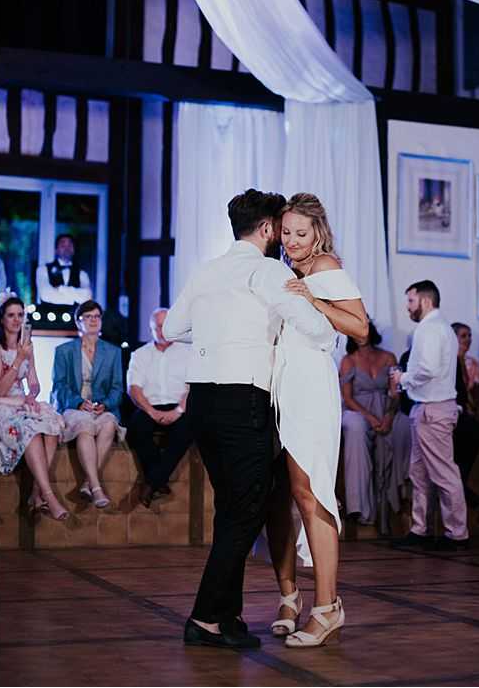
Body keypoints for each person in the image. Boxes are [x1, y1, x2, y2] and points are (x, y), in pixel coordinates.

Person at [163, 189, 335, 651]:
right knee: (247, 511)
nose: (282, 237)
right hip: (243, 403)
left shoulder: (207, 270)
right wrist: (314, 304)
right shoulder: (268, 270)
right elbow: (320, 331)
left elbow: (170, 329)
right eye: (279, 229)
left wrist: (220, 333)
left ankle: (228, 615)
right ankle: (203, 619)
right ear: (264, 229)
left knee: (231, 510)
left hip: (201, 403)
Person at [265, 193, 368, 648]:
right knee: (281, 498)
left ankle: (328, 608)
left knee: (312, 495)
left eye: (300, 234)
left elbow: (361, 327)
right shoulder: (285, 270)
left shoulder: (325, 267)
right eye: (286, 233)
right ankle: (290, 597)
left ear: (318, 232)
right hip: (281, 386)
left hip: (312, 385)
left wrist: (314, 299)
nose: (291, 241)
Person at [389, 281, 468, 551]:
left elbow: (429, 369)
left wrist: (403, 378)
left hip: (434, 409)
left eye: (410, 301)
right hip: (427, 408)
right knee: (419, 473)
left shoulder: (430, 329)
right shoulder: (437, 328)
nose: (407, 307)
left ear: (424, 301)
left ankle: (457, 534)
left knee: (444, 474)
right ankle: (419, 530)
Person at [0, 297, 67, 520]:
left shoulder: (27, 346)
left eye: (20, 315)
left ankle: (36, 492)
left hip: (22, 402)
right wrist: (18, 359)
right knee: (31, 431)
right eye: (11, 315)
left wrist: (33, 394)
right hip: (2, 404)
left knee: (52, 424)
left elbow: (34, 383)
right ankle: (49, 496)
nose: (17, 320)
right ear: (2, 319)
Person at [51, 299, 125, 509]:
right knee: (85, 427)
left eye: (96, 316)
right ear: (78, 322)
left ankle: (87, 483)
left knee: (109, 424)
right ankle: (96, 487)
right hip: (75, 408)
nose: (93, 321)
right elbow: (59, 386)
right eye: (88, 317)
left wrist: (106, 404)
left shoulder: (113, 352)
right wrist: (77, 402)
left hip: (101, 408)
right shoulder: (64, 351)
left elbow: (118, 387)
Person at [340, 320, 410, 532]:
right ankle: (360, 508)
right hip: (358, 409)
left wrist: (388, 415)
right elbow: (347, 398)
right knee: (356, 428)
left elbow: (395, 392)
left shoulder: (388, 357)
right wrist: (370, 417)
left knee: (406, 425)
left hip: (385, 407)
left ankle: (405, 499)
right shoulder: (348, 361)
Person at [126, 307, 191, 507]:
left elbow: (194, 387)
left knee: (186, 430)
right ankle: (159, 481)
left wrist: (178, 411)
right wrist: (151, 412)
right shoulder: (140, 354)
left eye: (166, 326)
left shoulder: (188, 352)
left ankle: (152, 482)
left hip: (181, 406)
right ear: (151, 329)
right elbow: (134, 388)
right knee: (136, 429)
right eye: (158, 327)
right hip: (150, 405)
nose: (162, 331)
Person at [451, 322, 479, 509]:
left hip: (468, 413)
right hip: (451, 412)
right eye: (463, 336)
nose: (468, 340)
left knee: (476, 431)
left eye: (469, 335)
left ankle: (461, 484)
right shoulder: (447, 361)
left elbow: (477, 394)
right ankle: (460, 487)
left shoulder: (472, 363)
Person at [36, 234, 92, 307]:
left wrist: (60, 289)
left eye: (70, 245)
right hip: (49, 315)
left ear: (74, 250)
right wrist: (75, 296)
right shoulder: (43, 269)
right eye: (63, 245)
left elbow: (87, 296)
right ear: (56, 250)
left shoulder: (82, 273)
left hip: (74, 316)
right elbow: (45, 295)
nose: (67, 248)